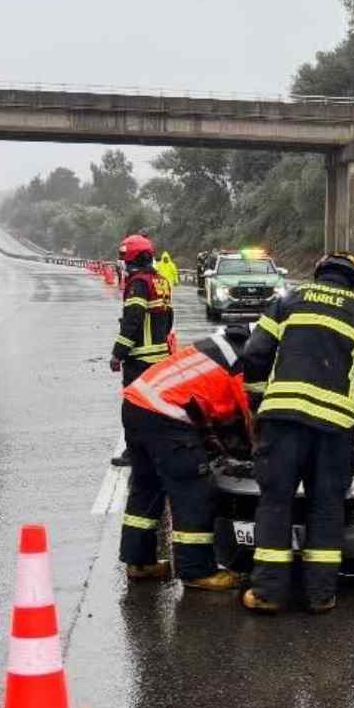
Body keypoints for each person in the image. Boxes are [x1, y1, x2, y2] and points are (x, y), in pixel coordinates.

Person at [238, 251, 354, 614]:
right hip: (334, 428)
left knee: (276, 501)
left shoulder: (288, 300)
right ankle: (320, 595)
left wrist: (260, 402)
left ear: (320, 273)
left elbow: (255, 353)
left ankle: (267, 593)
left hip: (283, 421)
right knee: (327, 506)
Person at [120, 326, 252, 591]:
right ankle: (197, 571)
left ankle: (139, 562)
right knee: (194, 489)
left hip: (136, 404)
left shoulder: (219, 345)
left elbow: (209, 403)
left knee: (147, 486)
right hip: (166, 415)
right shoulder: (247, 364)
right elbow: (251, 418)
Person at [109, 233, 174, 466]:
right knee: (156, 406)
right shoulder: (161, 281)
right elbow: (169, 317)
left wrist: (118, 354)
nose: (123, 263)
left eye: (125, 259)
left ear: (133, 258)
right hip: (161, 357)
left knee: (133, 408)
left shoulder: (138, 284)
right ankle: (159, 450)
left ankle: (135, 454)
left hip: (140, 358)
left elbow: (132, 321)